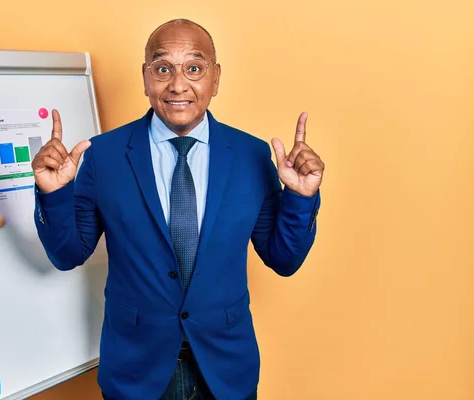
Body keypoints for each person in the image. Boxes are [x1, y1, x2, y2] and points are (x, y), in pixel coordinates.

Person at [32, 18, 324, 400]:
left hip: (225, 369)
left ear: (215, 79)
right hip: (136, 369)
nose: (178, 84)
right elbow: (68, 254)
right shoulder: (103, 156)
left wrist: (300, 198)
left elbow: (284, 259)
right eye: (163, 68)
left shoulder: (252, 156)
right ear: (145, 77)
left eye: (194, 68)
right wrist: (54, 193)